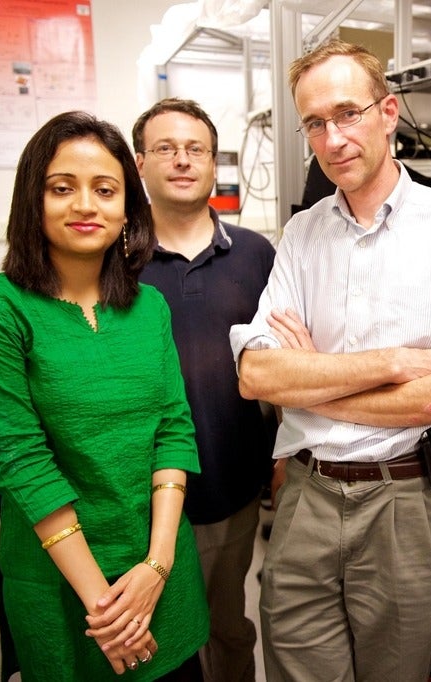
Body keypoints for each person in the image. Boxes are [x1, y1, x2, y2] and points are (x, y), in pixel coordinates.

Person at [229, 38, 431, 682]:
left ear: (388, 113)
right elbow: (257, 374)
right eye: (314, 123)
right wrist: (397, 363)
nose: (332, 139)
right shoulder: (303, 234)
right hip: (304, 496)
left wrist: (313, 385)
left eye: (348, 114)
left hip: (404, 506)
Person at [0, 111, 209, 681]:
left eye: (105, 189)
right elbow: (20, 460)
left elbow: (172, 429)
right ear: (31, 201)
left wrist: (158, 566)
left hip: (160, 572)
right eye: (62, 188)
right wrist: (109, 610)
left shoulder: (148, 308)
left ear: (127, 209)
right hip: (68, 587)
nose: (86, 205)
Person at [133, 97, 277, 682]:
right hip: (134, 499)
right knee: (152, 643)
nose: (182, 160)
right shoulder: (112, 258)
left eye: (195, 149)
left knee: (227, 628)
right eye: (165, 148)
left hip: (230, 488)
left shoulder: (256, 254)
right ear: (140, 163)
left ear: (214, 162)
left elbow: (283, 363)